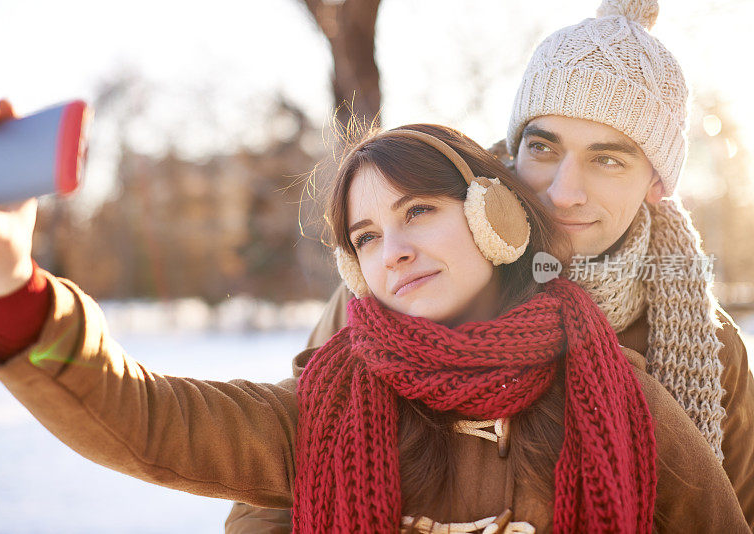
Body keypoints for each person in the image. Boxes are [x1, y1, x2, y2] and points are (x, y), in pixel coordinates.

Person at [0, 112, 748, 531]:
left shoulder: (617, 395)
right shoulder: (327, 403)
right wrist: (13, 287)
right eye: (366, 238)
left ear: (496, 216)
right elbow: (146, 421)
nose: (393, 250)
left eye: (419, 212)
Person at [227, 0, 754, 530]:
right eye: (544, 148)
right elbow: (271, 495)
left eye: (608, 159)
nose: (564, 192)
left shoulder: (710, 350)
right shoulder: (405, 279)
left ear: (657, 185)